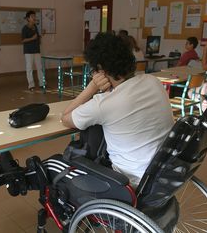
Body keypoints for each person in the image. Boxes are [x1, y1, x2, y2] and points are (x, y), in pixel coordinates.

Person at [61, 33, 174, 188]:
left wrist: (92, 87)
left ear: (100, 69)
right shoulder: (153, 81)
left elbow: (65, 118)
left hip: (131, 180)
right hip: (163, 172)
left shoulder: (104, 104)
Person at [22, 10, 45, 92]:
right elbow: (23, 40)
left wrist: (41, 35)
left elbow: (37, 37)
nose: (34, 18)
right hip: (28, 51)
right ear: (28, 18)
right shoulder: (25, 28)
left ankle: (42, 83)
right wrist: (32, 38)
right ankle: (31, 85)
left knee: (39, 67)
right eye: (32, 16)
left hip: (36, 50)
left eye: (35, 16)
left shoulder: (35, 27)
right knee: (29, 68)